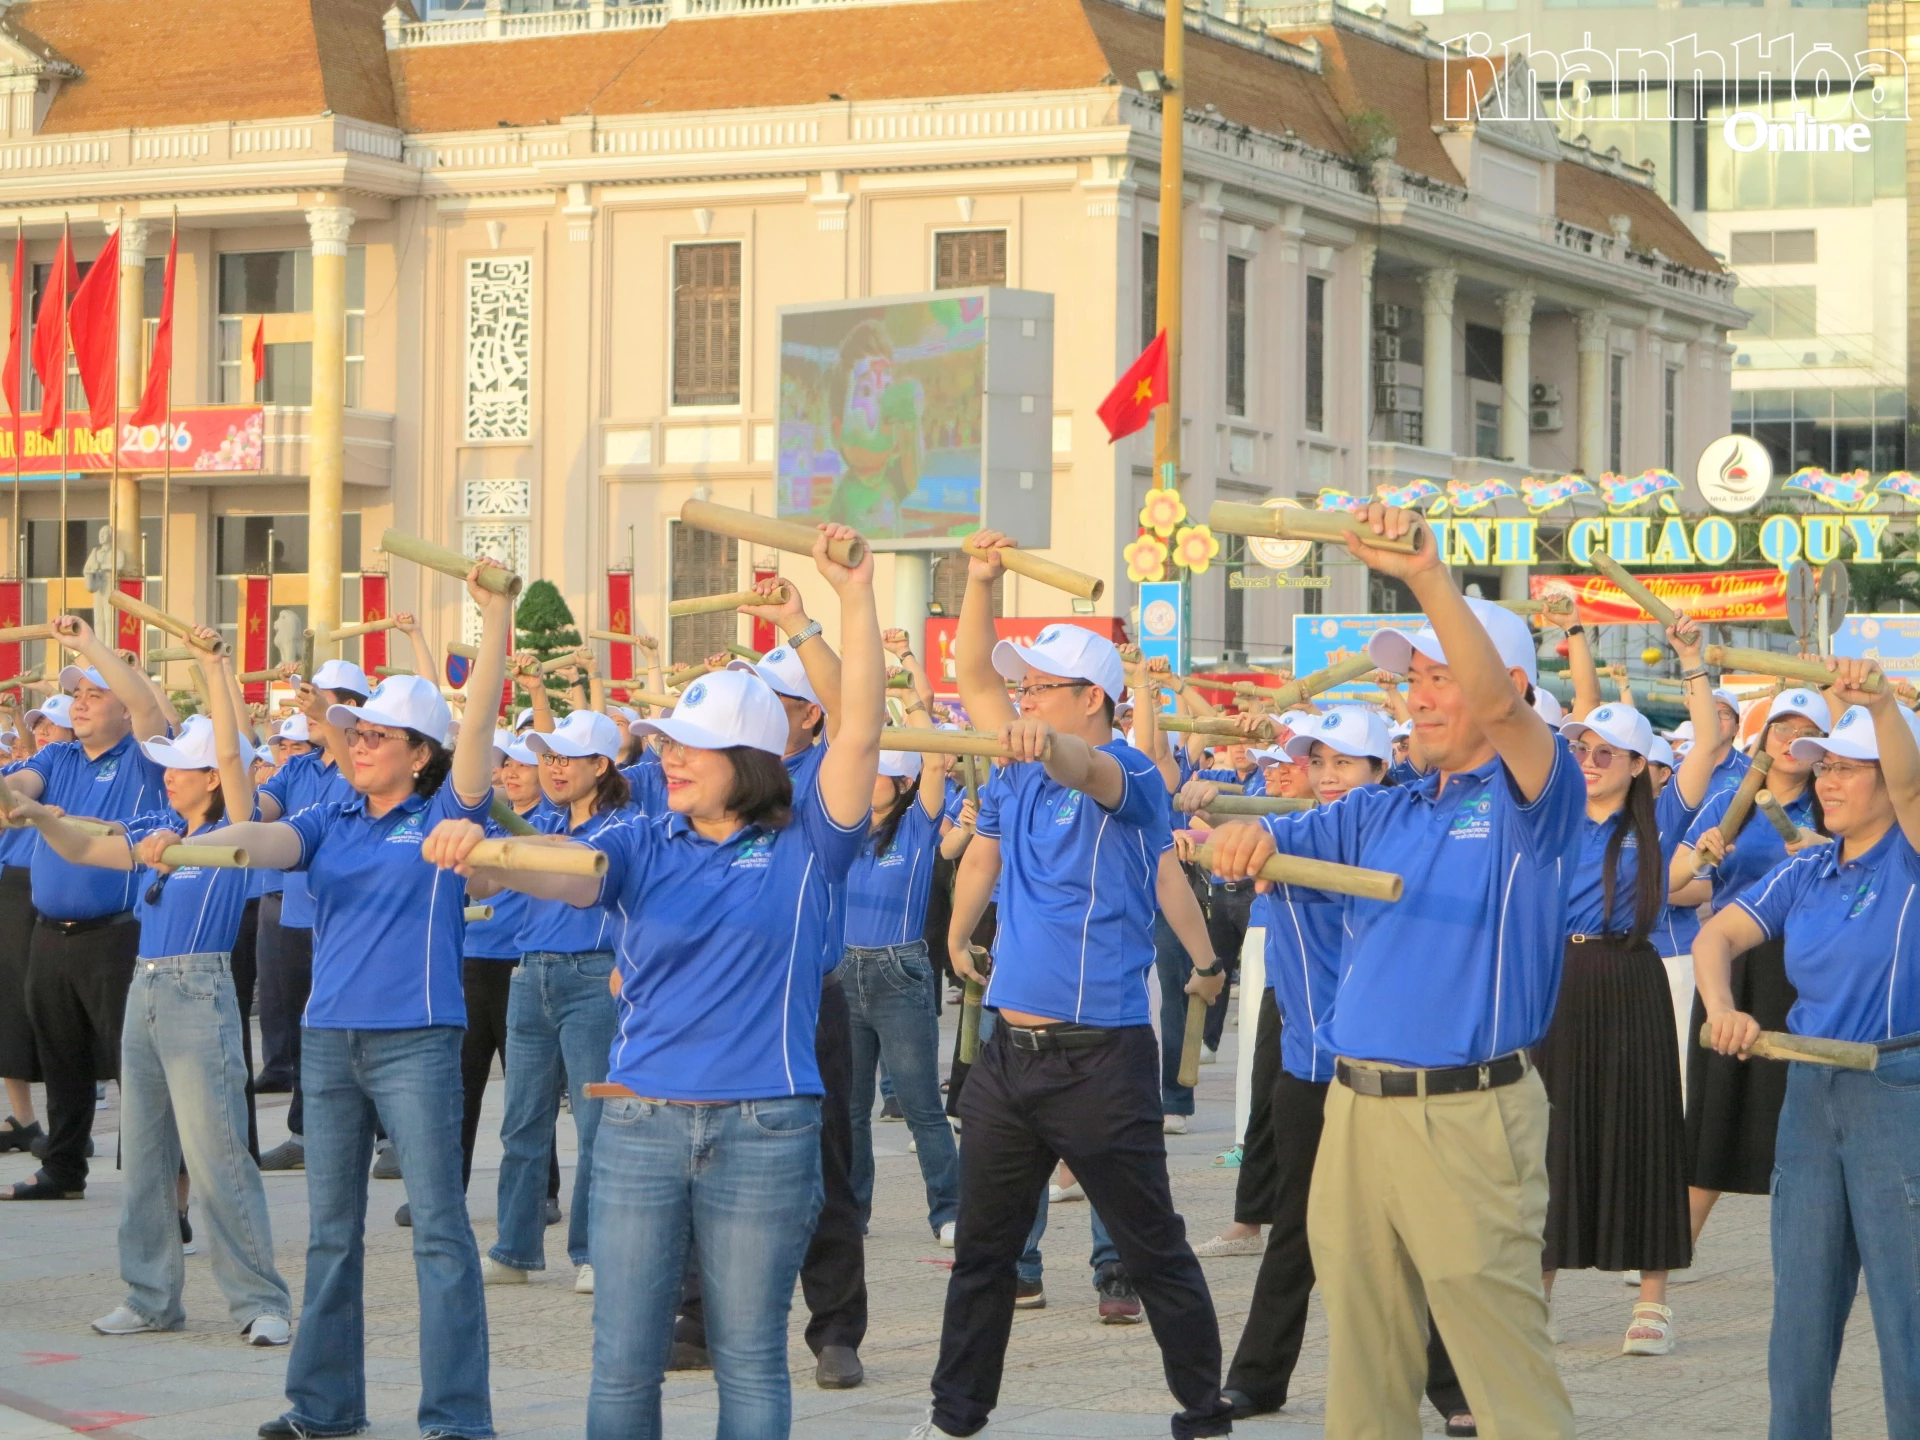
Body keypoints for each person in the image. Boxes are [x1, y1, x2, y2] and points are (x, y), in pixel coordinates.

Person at [424, 521, 884, 1440]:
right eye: (667, 740)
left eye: (692, 747)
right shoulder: (638, 838)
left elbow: (863, 723)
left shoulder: (809, 841)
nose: (668, 756)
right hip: (638, 1126)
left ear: (749, 763)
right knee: (625, 1361)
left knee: (751, 1360)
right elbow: (565, 867)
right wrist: (493, 854)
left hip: (768, 1124)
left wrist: (853, 596)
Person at [1203, 504, 1582, 1439]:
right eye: (1412, 678)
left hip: (1467, 1115)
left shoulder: (1538, 796)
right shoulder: (1387, 806)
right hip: (1353, 1109)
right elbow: (1276, 839)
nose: (1418, 695)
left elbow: (1500, 713)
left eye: (1440, 676)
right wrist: (1244, 836)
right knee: (1366, 1363)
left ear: (1513, 686)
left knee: (1502, 1367)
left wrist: (1423, 576)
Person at [917, 529, 1230, 1440]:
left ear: (1091, 697)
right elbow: (974, 674)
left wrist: (1044, 742)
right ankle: (953, 1418)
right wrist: (979, 580)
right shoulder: (1015, 767)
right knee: (982, 1253)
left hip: (1099, 1060)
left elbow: (1084, 765)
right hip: (1009, 1057)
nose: (1021, 700)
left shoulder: (1127, 771)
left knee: (1152, 1244)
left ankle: (1204, 1410)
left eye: (1042, 688)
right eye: (1025, 689)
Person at [212, 564, 511, 1440]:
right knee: (332, 1235)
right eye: (356, 730)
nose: (361, 741)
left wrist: (493, 618)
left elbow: (482, 717)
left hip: (417, 1039)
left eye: (381, 733)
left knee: (441, 1236)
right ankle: (322, 1406)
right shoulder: (328, 816)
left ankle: (456, 1418)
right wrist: (192, 845)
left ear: (421, 753)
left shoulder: (448, 810)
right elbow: (261, 837)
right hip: (329, 1040)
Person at [1187, 706, 1473, 1436]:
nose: (1326, 777)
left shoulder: (1403, 827)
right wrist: (1214, 827)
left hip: (1394, 1069)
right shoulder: (1303, 828)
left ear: (1382, 770)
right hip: (1311, 1066)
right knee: (1298, 1229)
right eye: (1317, 763)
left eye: (1344, 763)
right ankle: (1257, 1378)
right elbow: (1238, 833)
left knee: (1417, 1232)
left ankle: (1452, 1385)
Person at [11, 637, 292, 1342]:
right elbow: (85, 846)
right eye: (167, 770)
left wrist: (217, 671)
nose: (169, 779)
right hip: (145, 988)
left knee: (218, 1153)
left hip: (200, 989)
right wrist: (43, 816)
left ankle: (260, 1302)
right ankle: (149, 1296)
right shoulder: (157, 829)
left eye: (182, 770)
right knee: (143, 1154)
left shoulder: (235, 827)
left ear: (208, 778)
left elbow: (233, 757)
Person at [1695, 663, 1920, 1440]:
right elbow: (1718, 933)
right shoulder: (1811, 865)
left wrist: (1884, 705)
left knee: (1909, 1312)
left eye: (1850, 770)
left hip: (1897, 1087)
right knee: (1801, 1311)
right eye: (1824, 766)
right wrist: (1724, 1009)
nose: (1827, 782)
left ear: (1891, 781)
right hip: (1809, 1092)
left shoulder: (1912, 859)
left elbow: (1916, 793)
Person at [1533, 611, 1721, 1358]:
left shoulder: (1661, 820)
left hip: (1630, 974)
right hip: (1557, 979)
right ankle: (1535, 1294)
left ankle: (1652, 1300)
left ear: (1641, 763)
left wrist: (1692, 663)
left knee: (1645, 1126)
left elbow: (1708, 745)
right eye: (1584, 747)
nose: (1592, 758)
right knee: (1549, 1133)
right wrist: (1571, 649)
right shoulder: (1547, 813)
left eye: (1610, 751)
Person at [0, 623, 170, 1201]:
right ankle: (63, 1167)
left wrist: (91, 647)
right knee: (61, 1056)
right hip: (50, 933)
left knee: (133, 1061)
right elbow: (23, 783)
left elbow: (148, 705)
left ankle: (151, 1178)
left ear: (124, 708)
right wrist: (13, 797)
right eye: (77, 695)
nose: (80, 704)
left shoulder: (147, 756)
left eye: (95, 695)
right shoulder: (60, 757)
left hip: (116, 936)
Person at [1667, 688, 1831, 1250]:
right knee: (1717, 1115)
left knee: (1801, 1115)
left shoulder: (1832, 803)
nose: (1790, 741)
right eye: (1782, 727)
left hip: (1809, 966)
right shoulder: (1728, 800)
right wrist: (1701, 858)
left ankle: (1818, 1248)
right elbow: (1674, 889)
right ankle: (1671, 1252)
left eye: (1806, 732)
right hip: (1735, 961)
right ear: (1763, 735)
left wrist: (1824, 846)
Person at [478, 708, 629, 1295]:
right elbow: (482, 882)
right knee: (521, 1122)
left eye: (567, 757)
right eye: (546, 756)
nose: (553, 767)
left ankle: (592, 1250)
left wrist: (535, 851)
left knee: (594, 1123)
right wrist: (473, 850)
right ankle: (514, 1247)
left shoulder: (623, 827)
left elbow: (584, 883)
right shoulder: (531, 820)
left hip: (593, 977)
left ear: (601, 764)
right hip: (530, 974)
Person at [841, 715, 960, 1244]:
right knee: (848, 1110)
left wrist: (910, 693)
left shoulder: (918, 824)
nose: (865, 783)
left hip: (898, 972)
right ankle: (851, 1213)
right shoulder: (840, 828)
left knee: (921, 1107)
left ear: (905, 784)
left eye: (879, 775)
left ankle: (949, 1212)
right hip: (841, 975)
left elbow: (934, 756)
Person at [253, 658, 369, 1172]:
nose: (311, 710)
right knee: (303, 1030)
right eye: (312, 699)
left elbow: (360, 780)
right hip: (295, 916)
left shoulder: (365, 760)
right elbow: (258, 811)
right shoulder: (297, 766)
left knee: (361, 1031)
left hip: (350, 920)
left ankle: (385, 1136)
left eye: (325, 700)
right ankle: (303, 1133)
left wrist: (330, 713)